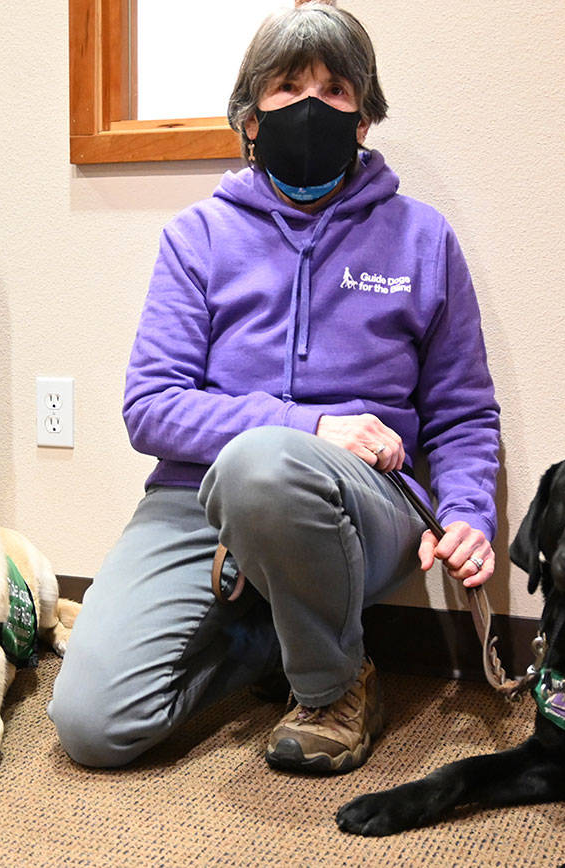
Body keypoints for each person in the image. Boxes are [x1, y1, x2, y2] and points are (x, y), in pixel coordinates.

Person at [50, 0, 500, 775]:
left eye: (334, 90)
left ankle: (333, 687)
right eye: (287, 88)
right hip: (195, 503)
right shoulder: (198, 236)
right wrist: (310, 424)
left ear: (364, 118)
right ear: (249, 116)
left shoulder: (423, 238)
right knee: (93, 725)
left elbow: (462, 411)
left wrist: (468, 513)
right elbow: (150, 406)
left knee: (264, 464)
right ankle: (272, 637)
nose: (311, 107)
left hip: (367, 501)